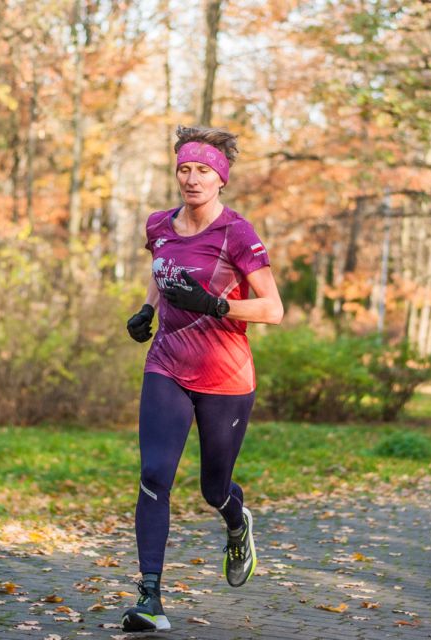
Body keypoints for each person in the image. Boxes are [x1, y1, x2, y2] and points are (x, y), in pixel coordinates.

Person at [120, 125, 283, 632]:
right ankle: (150, 598)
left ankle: (236, 519)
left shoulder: (237, 233)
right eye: (185, 169)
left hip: (225, 376)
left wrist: (216, 305)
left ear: (221, 179)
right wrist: (147, 309)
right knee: (154, 475)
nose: (192, 179)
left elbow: (273, 309)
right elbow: (162, 270)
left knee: (213, 488)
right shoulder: (158, 224)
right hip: (167, 364)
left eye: (203, 171)